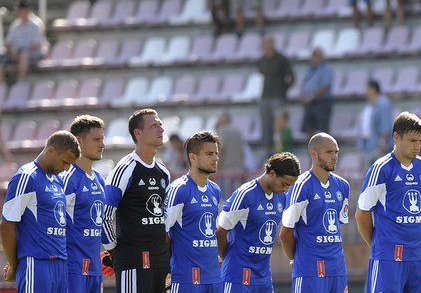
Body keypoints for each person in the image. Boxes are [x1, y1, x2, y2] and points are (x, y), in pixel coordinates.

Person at [356, 112, 421, 293]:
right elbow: (361, 214)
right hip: (389, 259)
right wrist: (380, 245)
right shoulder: (380, 169)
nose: (417, 146)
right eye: (412, 141)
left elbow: (420, 212)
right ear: (396, 137)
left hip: (419, 258)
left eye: (420, 141)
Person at [0, 131, 80, 292]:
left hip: (60, 265)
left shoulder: (57, 180)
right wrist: (15, 266)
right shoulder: (27, 177)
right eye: (65, 162)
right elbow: (7, 224)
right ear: (51, 151)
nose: (66, 168)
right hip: (36, 264)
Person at [102, 108, 171, 293]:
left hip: (161, 260)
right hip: (133, 259)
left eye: (161, 124)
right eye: (154, 125)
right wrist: (113, 250)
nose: (161, 129)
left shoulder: (163, 170)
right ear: (138, 133)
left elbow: (165, 216)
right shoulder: (124, 169)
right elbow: (104, 214)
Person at [217, 152, 301, 292]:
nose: (286, 189)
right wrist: (226, 257)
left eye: (289, 186)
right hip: (237, 276)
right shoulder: (245, 194)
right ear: (272, 173)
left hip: (264, 278)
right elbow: (220, 232)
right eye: (284, 184)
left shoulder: (281, 198)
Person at [280, 133, 349, 292]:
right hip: (310, 269)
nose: (334, 157)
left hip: (337, 268)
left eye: (336, 152)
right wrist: (295, 259)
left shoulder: (343, 186)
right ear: (314, 153)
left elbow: (337, 227)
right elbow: (285, 233)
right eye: (329, 152)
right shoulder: (300, 186)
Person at [165, 131, 223, 292]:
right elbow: (163, 233)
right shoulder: (179, 190)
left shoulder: (215, 190)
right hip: (187, 279)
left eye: (216, 154)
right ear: (193, 157)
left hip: (214, 278)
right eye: (209, 154)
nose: (215, 158)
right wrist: (165, 269)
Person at [61, 115, 107, 293]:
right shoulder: (68, 178)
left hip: (94, 270)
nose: (102, 145)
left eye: (102, 139)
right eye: (96, 139)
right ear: (78, 141)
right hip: (72, 269)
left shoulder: (99, 180)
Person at [259, 36, 294, 154]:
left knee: (279, 125)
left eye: (269, 43)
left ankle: (282, 151)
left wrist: (284, 89)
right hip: (265, 96)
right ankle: (268, 152)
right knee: (266, 125)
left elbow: (291, 77)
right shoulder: (262, 59)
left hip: (278, 96)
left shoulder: (281, 59)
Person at [0, 0, 45, 83]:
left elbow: (37, 45)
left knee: (24, 55)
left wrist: (20, 52)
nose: (19, 12)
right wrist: (12, 52)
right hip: (17, 52)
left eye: (21, 10)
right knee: (1, 56)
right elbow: (8, 43)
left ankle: (21, 81)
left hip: (35, 53)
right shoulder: (15, 24)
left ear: (27, 10)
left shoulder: (36, 24)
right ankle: (1, 83)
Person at [357, 80, 393, 165]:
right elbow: (363, 127)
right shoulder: (367, 107)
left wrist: (383, 141)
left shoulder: (384, 103)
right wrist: (361, 148)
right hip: (369, 146)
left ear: (372, 89)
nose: (365, 91)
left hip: (379, 147)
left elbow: (385, 124)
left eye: (367, 88)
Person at [300, 47, 334, 137]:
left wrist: (311, 97)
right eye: (313, 56)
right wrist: (302, 95)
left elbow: (326, 86)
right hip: (309, 104)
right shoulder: (309, 68)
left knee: (322, 131)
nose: (314, 58)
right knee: (309, 129)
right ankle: (311, 149)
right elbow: (303, 83)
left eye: (317, 55)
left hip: (321, 102)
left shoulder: (326, 68)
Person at [215, 112, 247, 200]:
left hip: (225, 170)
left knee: (224, 200)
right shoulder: (238, 131)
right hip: (238, 169)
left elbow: (221, 150)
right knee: (236, 198)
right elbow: (242, 151)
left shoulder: (222, 131)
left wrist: (217, 166)